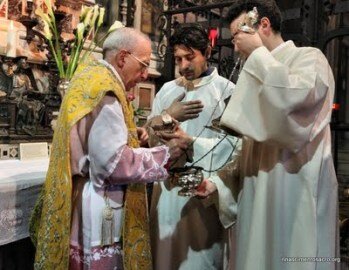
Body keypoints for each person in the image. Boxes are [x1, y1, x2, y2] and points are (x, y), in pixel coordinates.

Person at [30, 27, 192, 270]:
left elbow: (92, 139)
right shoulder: (106, 92)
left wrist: (130, 135)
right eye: (144, 64)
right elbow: (113, 164)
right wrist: (167, 153)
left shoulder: (89, 77)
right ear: (123, 57)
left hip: (83, 197)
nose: (146, 74)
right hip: (100, 203)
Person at [215, 1, 338, 269]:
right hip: (258, 192)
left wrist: (258, 53)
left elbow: (294, 110)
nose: (235, 47)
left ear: (264, 25)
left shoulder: (309, 58)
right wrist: (219, 182)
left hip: (292, 193)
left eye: (238, 35)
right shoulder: (256, 68)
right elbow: (251, 147)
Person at [149, 24, 239, 270]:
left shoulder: (227, 91)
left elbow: (236, 147)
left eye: (190, 57)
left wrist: (192, 145)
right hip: (167, 193)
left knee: (200, 261)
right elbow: (149, 140)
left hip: (203, 194)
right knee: (165, 259)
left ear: (207, 51)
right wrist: (167, 116)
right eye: (178, 59)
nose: (183, 65)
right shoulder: (167, 91)